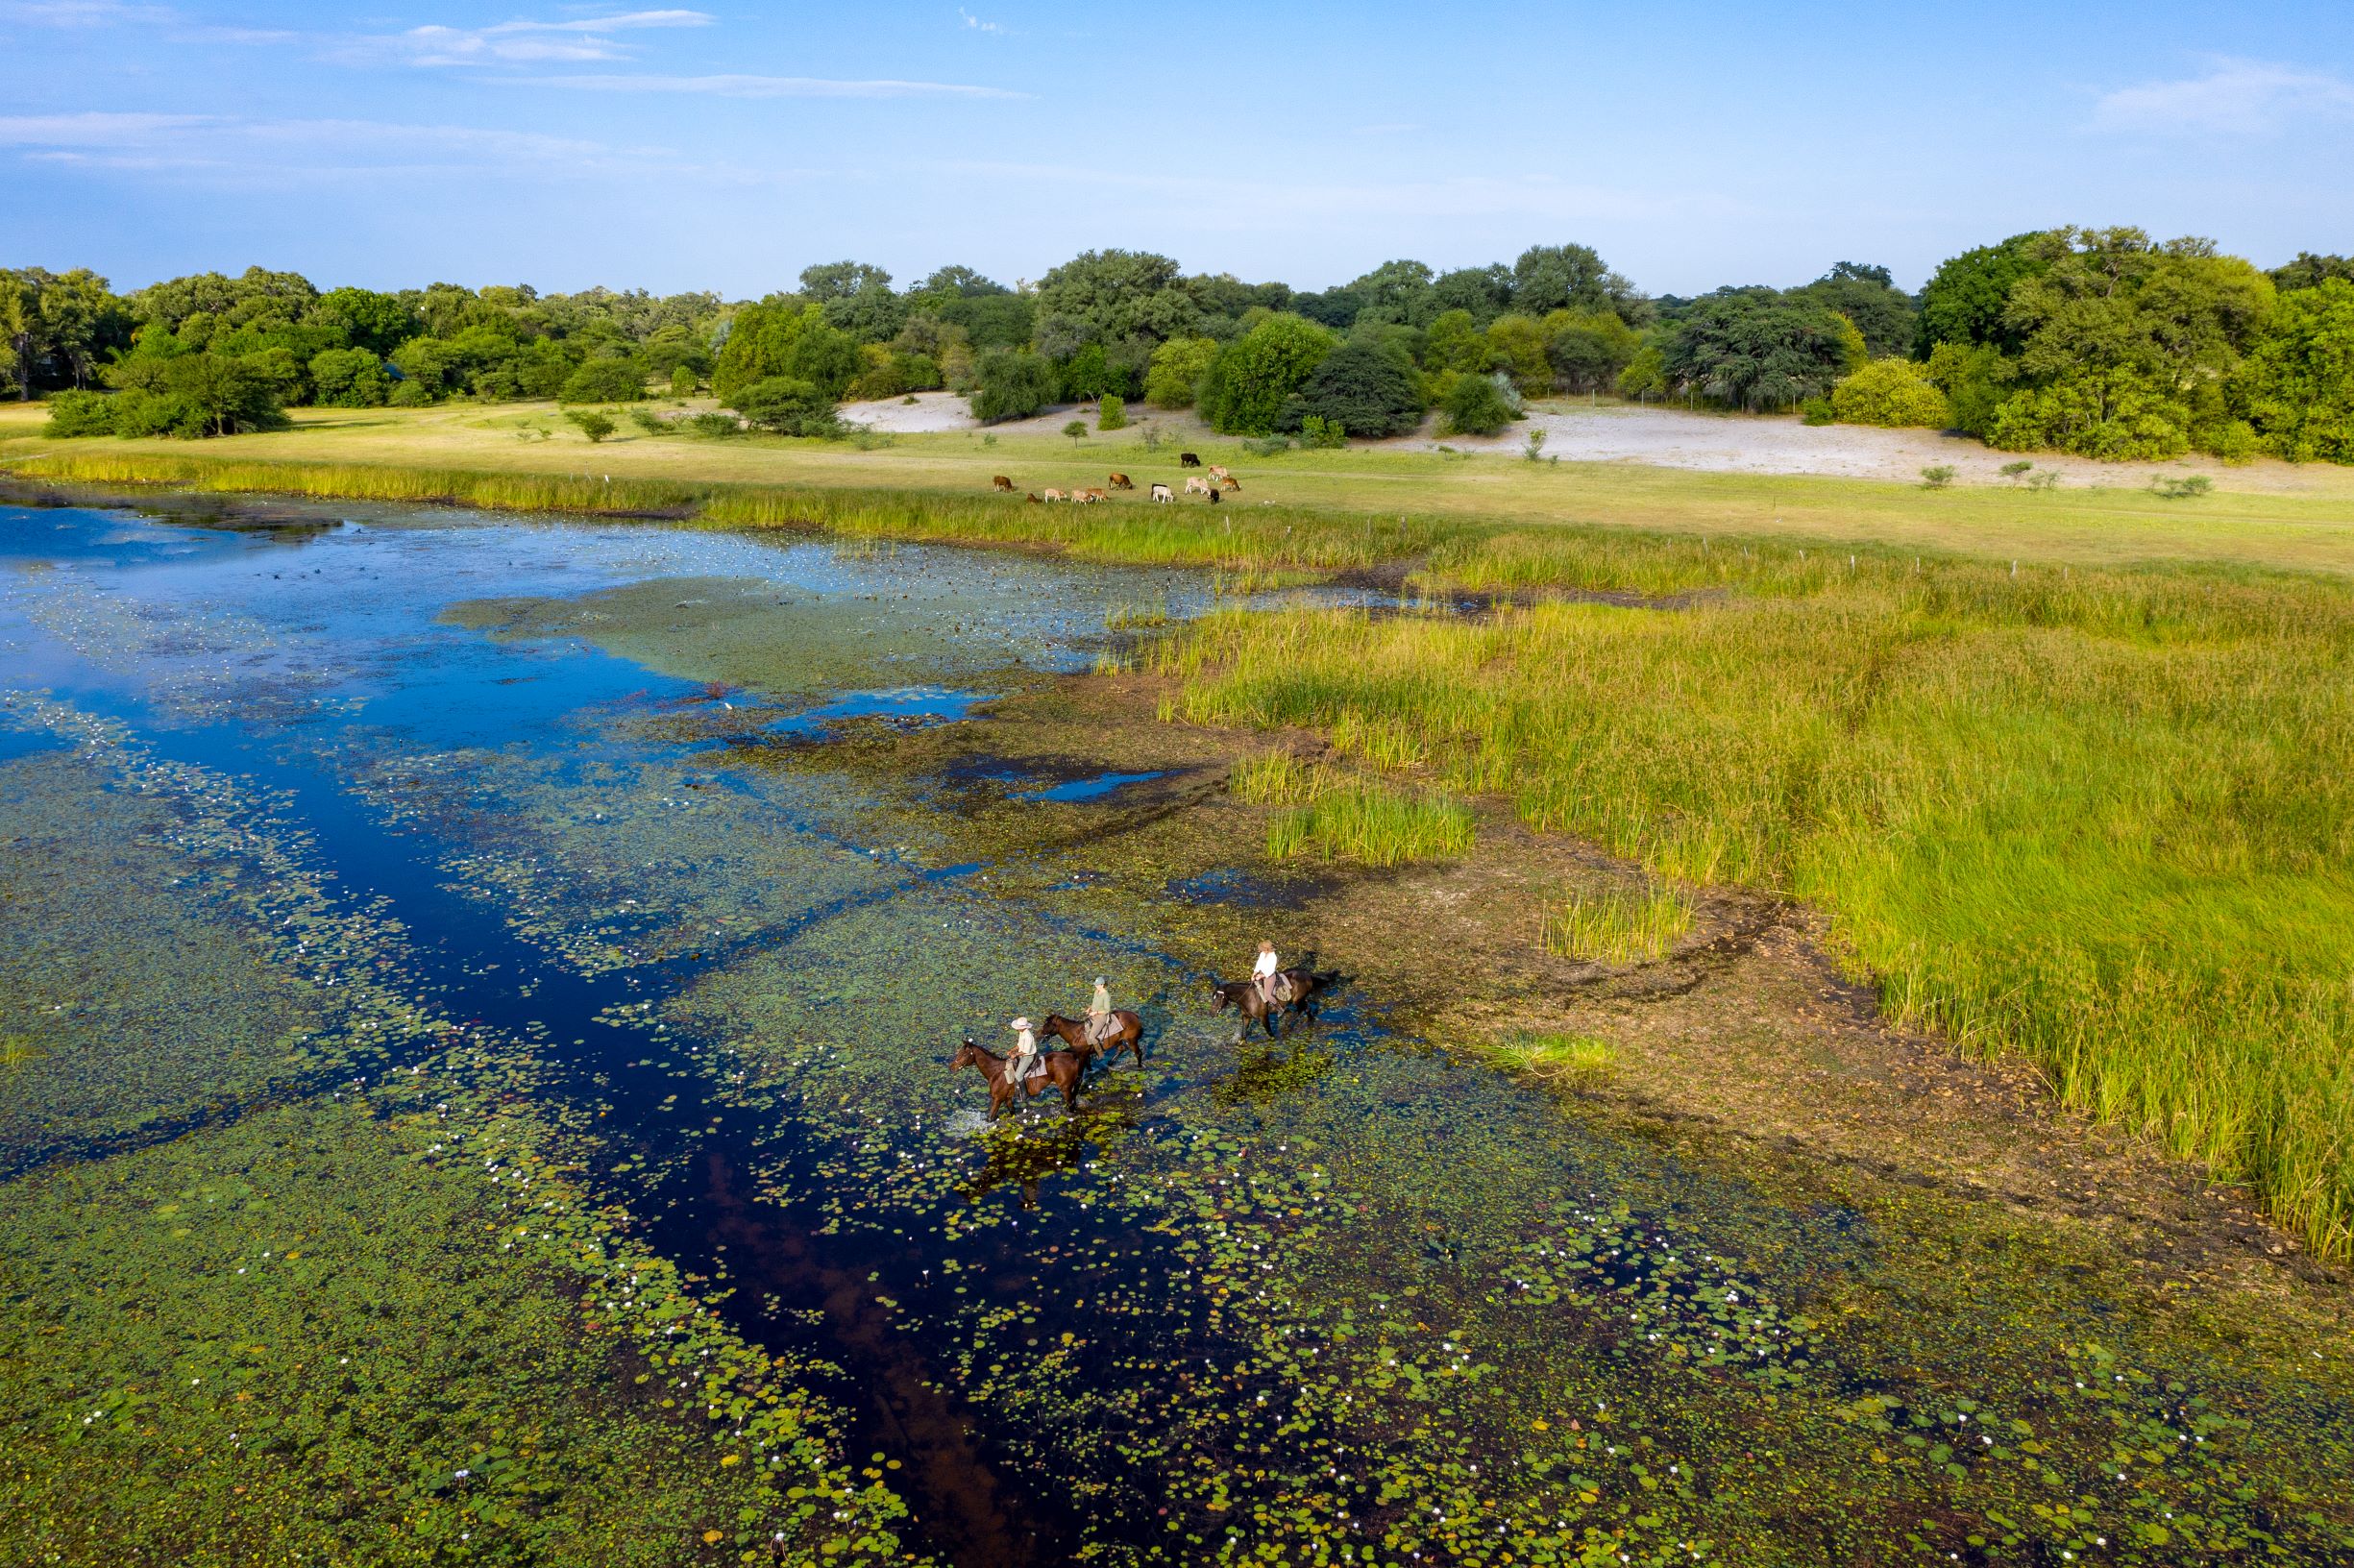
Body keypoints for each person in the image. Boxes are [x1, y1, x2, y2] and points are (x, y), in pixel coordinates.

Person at [1253, 940, 1291, 1009]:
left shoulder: (1273, 957)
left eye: (1262, 949)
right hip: (1261, 974)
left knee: (1267, 996)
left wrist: (1262, 976)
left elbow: (1271, 970)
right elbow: (1258, 964)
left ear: (1267, 949)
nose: (1261, 950)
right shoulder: (1262, 954)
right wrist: (1254, 973)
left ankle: (1279, 1008)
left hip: (1269, 976)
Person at [1006, 1017, 1041, 1083]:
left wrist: (1015, 1054)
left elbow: (1026, 1051)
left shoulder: (1028, 1037)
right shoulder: (1021, 1032)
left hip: (1027, 1057)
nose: (1017, 1029)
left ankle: (1024, 1093)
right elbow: (1019, 1045)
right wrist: (1011, 1050)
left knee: (1018, 1075)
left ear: (1024, 1027)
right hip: (1021, 1054)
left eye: (1018, 1027)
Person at [1086, 976, 1115, 1044]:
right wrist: (1089, 1008)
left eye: (1097, 985)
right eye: (1095, 985)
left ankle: (1100, 1053)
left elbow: (1107, 1010)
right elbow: (1094, 1003)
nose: (1096, 986)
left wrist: (1096, 1012)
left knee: (1091, 1036)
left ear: (1102, 985)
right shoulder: (1096, 991)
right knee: (1084, 1026)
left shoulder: (1106, 995)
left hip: (1101, 1017)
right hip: (1093, 1013)